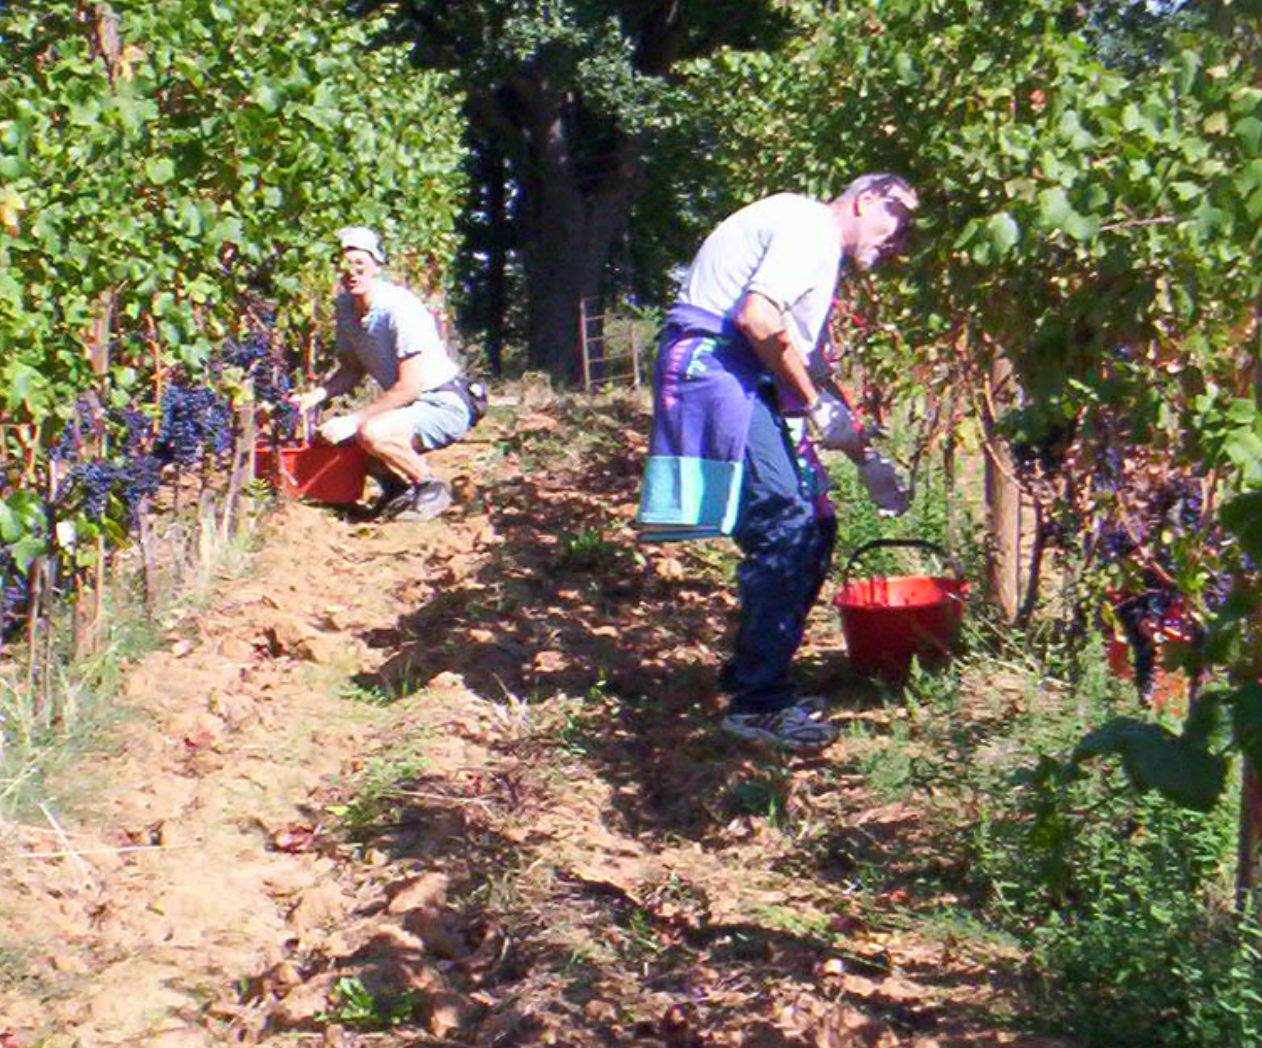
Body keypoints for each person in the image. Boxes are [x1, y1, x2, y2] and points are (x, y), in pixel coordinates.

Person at [635, 174, 919, 750]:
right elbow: (759, 320)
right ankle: (758, 704)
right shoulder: (808, 226)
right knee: (786, 524)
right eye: (900, 219)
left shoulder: (813, 243)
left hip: (744, 375)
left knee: (816, 523)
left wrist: (866, 458)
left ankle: (754, 675)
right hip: (717, 369)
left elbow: (801, 363)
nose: (901, 241)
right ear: (866, 199)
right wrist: (815, 407)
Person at [291, 227, 483, 521]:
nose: (352, 272)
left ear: (376, 265)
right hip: (411, 406)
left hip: (443, 403)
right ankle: (397, 489)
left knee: (372, 432)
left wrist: (354, 420)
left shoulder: (398, 308)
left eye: (360, 264)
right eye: (344, 264)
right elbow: (352, 370)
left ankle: (430, 487)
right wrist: (315, 396)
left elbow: (409, 387)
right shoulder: (345, 307)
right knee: (340, 440)